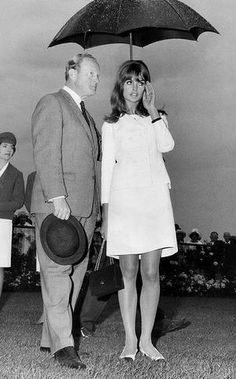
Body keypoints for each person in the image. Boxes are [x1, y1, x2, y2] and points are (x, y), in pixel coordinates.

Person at [100, 60, 178, 361]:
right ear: (121, 85)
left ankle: (147, 340)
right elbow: (107, 170)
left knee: (151, 272)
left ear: (148, 86)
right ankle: (130, 341)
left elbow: (168, 146)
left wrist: (155, 111)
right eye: (129, 81)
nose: (135, 87)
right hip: (124, 203)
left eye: (141, 80)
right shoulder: (111, 124)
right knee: (128, 271)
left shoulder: (157, 118)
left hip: (154, 202)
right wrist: (106, 215)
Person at [31, 53, 101, 370]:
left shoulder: (87, 116)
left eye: (98, 75)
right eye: (91, 73)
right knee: (58, 274)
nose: (96, 79)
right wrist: (57, 196)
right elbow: (46, 152)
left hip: (85, 208)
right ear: (71, 71)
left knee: (75, 274)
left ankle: (53, 339)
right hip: (58, 206)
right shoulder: (52, 103)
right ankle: (64, 346)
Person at [0, 132, 24, 299]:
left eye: (12, 147)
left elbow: (18, 201)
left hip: (3, 223)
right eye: (5, 146)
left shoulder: (16, 174)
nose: (9, 150)